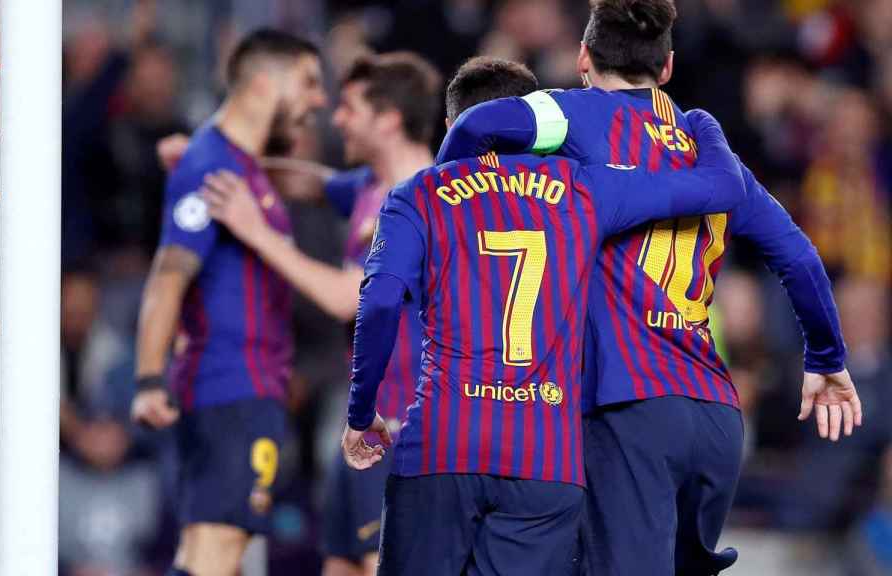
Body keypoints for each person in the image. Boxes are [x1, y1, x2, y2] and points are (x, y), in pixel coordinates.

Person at [435, 1, 864, 574]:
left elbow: (475, 124)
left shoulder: (571, 113)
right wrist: (827, 357)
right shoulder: (707, 147)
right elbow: (799, 257)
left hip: (631, 409)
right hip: (714, 416)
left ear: (583, 58)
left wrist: (445, 217)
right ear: (666, 68)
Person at [344, 57, 748, 574]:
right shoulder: (585, 188)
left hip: (442, 441)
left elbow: (377, 301)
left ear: (452, 127)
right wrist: (706, 126)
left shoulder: (418, 195)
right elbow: (718, 187)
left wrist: (361, 413)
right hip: (545, 459)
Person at [201, 51, 442, 576]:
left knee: (379, 564)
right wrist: (212, 159)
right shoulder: (368, 187)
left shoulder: (422, 199)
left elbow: (347, 297)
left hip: (401, 424)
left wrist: (253, 228)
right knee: (338, 563)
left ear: (389, 118)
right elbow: (306, 180)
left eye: (350, 107)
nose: (336, 119)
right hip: (362, 419)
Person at [128, 29, 326, 576]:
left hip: (240, 388)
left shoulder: (236, 165)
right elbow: (169, 273)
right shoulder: (211, 167)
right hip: (231, 387)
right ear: (265, 83)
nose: (318, 100)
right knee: (215, 555)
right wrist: (147, 377)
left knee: (212, 557)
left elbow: (322, 184)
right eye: (308, 82)